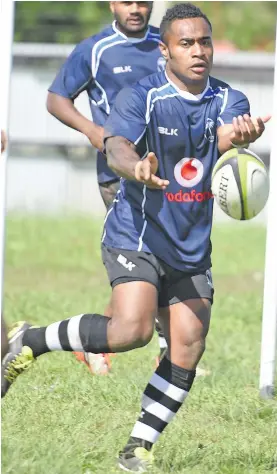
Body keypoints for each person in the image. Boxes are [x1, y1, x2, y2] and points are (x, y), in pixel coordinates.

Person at [2, 3, 270, 472]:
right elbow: (117, 146)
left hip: (190, 243)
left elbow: (224, 133)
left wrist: (242, 136)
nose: (198, 51)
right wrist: (136, 168)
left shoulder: (229, 99)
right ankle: (34, 341)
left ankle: (137, 448)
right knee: (132, 331)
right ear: (164, 51)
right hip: (136, 231)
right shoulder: (142, 96)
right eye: (186, 43)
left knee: (187, 345)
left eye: (204, 41)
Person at [47, 0, 168, 374]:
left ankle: (97, 339)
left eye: (143, 2)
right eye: (127, 1)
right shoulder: (95, 50)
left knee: (162, 257)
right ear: (113, 3)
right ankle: (165, 347)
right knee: (149, 257)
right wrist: (92, 130)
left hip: (164, 171)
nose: (136, 9)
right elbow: (56, 99)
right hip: (118, 173)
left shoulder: (165, 45)